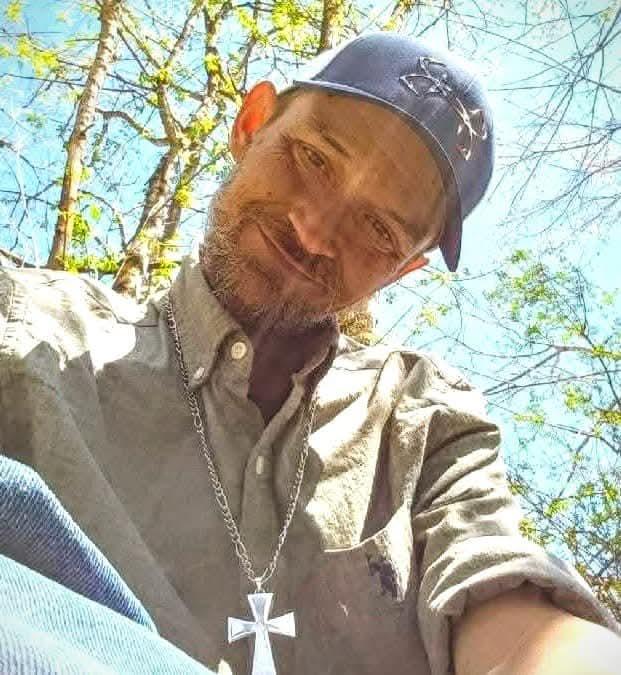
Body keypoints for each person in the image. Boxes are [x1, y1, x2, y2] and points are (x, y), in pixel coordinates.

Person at [0, 31, 619, 675]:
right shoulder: (29, 328)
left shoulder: (418, 420)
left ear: (402, 269)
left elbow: (507, 605)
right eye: (315, 159)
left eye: (378, 228)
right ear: (251, 123)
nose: (317, 231)